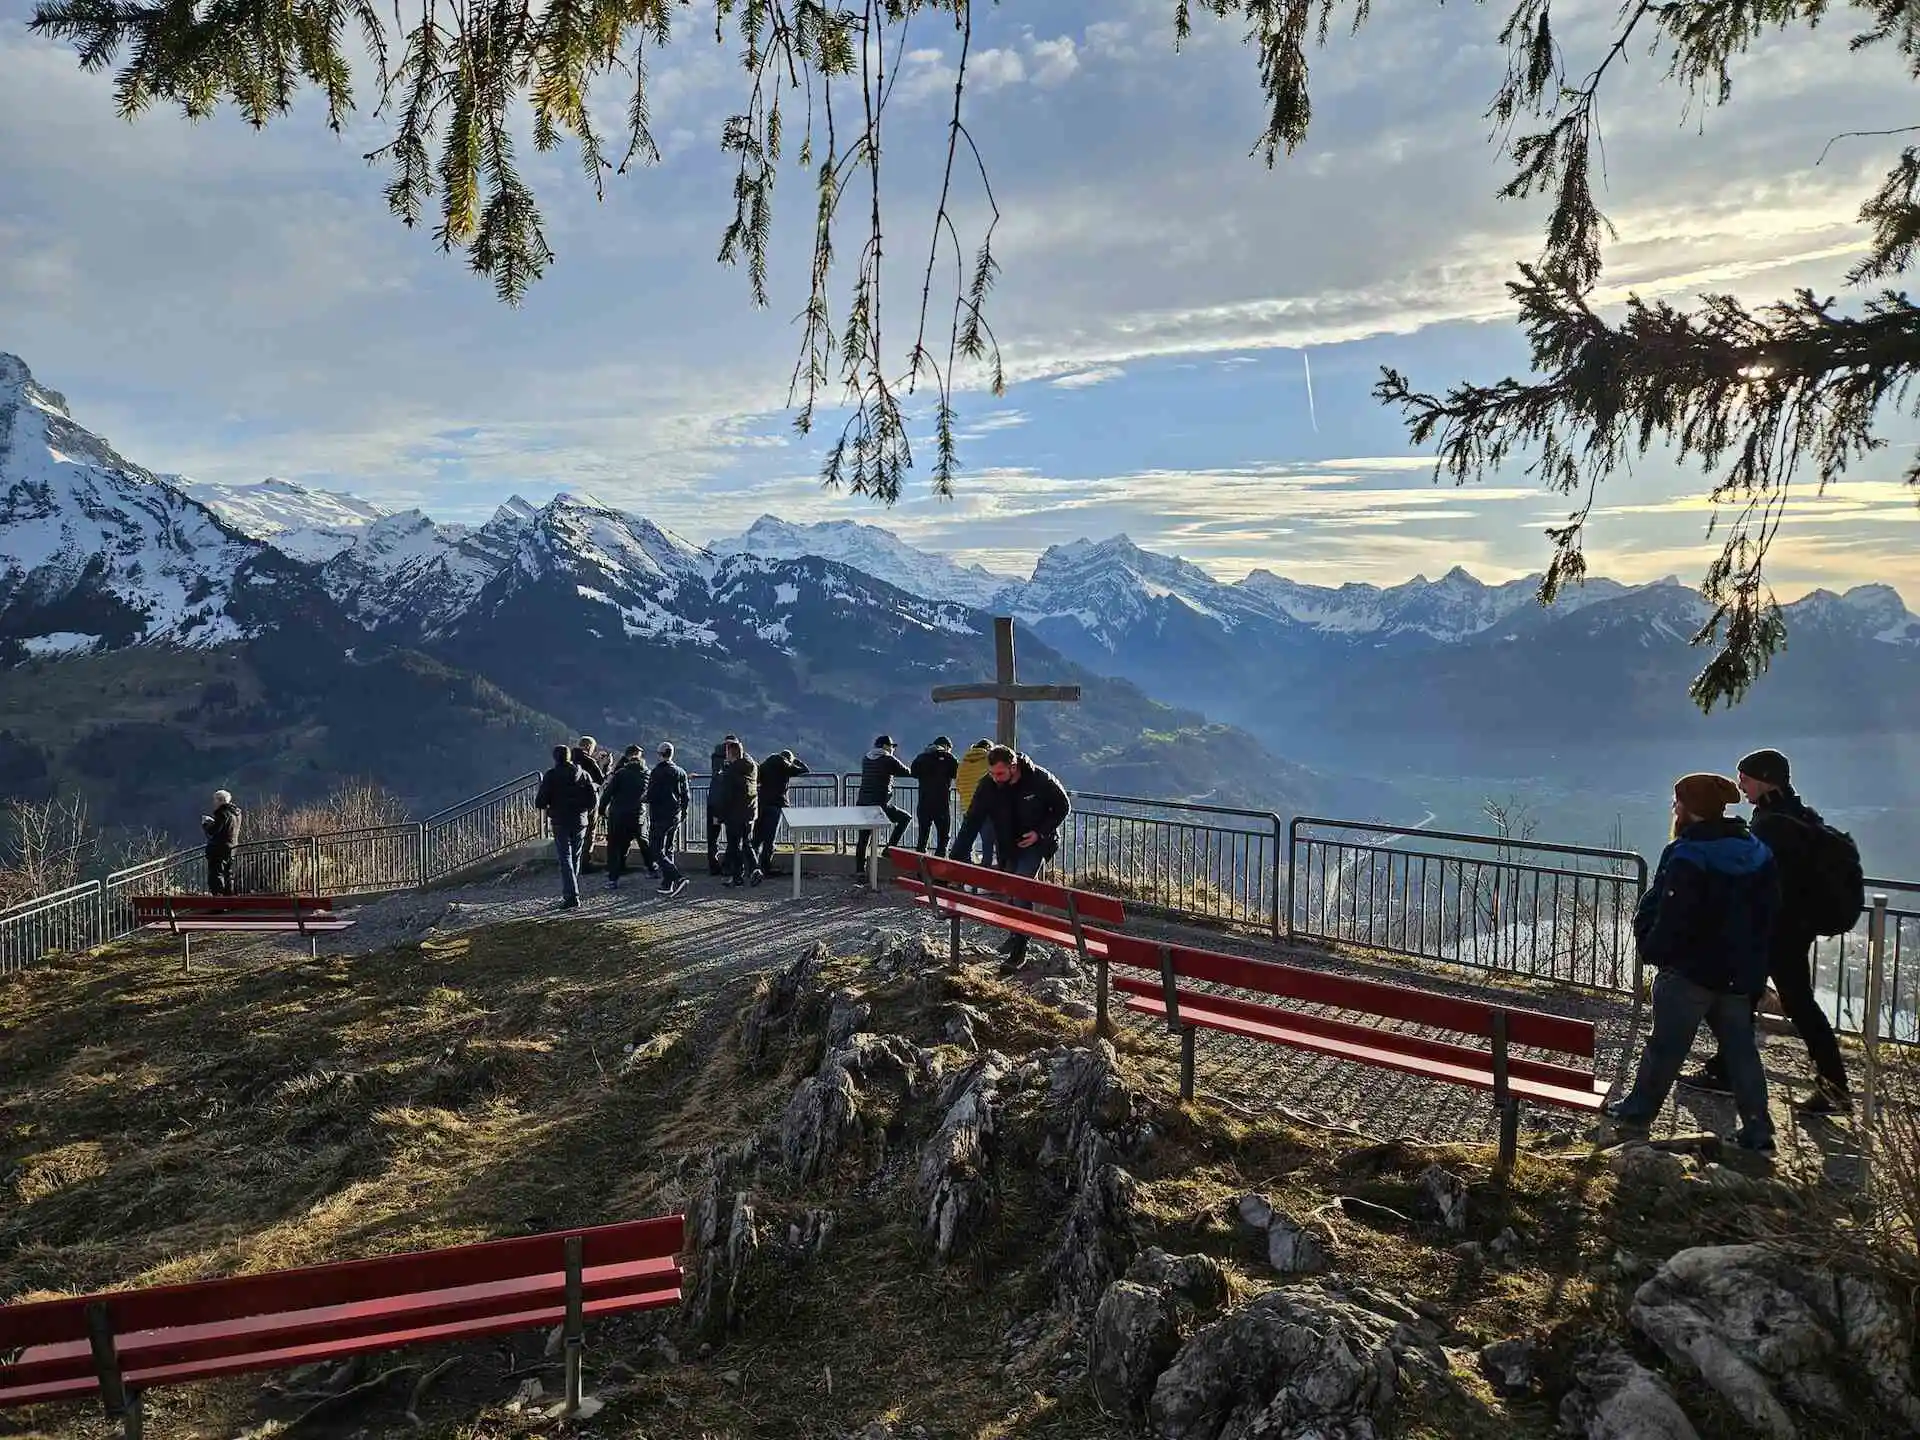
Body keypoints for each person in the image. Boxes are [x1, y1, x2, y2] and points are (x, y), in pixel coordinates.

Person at [1605, 773, 1779, 1153]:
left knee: (1665, 1048)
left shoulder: (1687, 854)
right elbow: (1769, 914)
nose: (1674, 807)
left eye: (1677, 801)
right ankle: (1759, 1131)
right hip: (1738, 973)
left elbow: (1673, 915)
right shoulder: (1756, 851)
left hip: (1690, 972)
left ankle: (1637, 1114)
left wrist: (1653, 950)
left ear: (1688, 808)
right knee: (1741, 1050)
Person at [1684, 748, 1854, 1112]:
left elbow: (1754, 879)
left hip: (1771, 930)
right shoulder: (1799, 816)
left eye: (1745, 779)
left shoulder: (1770, 825)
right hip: (1793, 929)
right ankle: (1832, 1085)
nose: (1741, 787)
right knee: (1794, 1003)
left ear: (1763, 779)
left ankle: (1731, 1073)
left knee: (1738, 998)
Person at [950, 745, 1072, 971]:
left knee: (1020, 886)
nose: (995, 778)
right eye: (992, 773)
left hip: (1035, 843)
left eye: (1000, 774)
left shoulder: (1039, 779)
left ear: (1013, 767)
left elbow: (1063, 806)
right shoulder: (988, 785)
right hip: (1007, 845)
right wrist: (956, 856)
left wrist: (1040, 833)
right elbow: (972, 820)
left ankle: (1019, 948)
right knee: (1011, 890)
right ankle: (1016, 934)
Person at [534, 743, 598, 908]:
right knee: (575, 857)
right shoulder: (583, 774)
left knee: (565, 858)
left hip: (560, 821)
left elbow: (540, 801)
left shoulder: (551, 775)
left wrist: (550, 806)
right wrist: (584, 811)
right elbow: (593, 800)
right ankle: (572, 891)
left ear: (555, 758)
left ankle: (571, 896)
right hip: (580, 821)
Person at [852, 734, 913, 875]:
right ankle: (889, 849)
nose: (893, 749)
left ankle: (860, 871)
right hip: (880, 805)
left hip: (862, 804)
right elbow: (907, 772)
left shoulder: (866, 758)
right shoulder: (888, 759)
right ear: (886, 746)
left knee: (863, 838)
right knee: (905, 818)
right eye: (892, 747)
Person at [597, 745, 655, 889]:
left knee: (616, 846)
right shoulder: (647, 774)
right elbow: (650, 794)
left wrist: (602, 809)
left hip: (618, 814)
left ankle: (613, 878)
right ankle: (652, 869)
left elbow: (608, 793)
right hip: (637, 814)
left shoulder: (621, 773)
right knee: (643, 842)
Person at [754, 749, 812, 875]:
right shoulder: (785, 766)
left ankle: (752, 867)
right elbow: (805, 769)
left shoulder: (764, 765)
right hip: (776, 805)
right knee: (769, 839)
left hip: (761, 804)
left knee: (756, 838)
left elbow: (756, 779)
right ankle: (765, 868)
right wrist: (795, 761)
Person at [714, 738, 762, 887]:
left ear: (730, 753)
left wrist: (719, 816)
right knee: (746, 842)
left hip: (734, 814)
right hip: (750, 812)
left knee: (734, 846)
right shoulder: (751, 766)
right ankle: (752, 870)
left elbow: (726, 797)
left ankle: (738, 876)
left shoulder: (731, 773)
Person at [647, 742, 692, 897]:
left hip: (660, 815)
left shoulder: (657, 772)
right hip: (675, 815)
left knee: (655, 848)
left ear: (660, 754)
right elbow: (686, 795)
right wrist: (684, 812)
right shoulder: (681, 772)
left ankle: (677, 878)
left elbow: (651, 794)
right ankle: (668, 884)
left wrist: (643, 798)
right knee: (669, 848)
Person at [909, 736, 961, 858]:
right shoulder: (949, 758)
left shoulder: (921, 757)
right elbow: (957, 773)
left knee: (923, 835)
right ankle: (939, 862)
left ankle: (920, 864)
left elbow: (913, 773)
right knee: (943, 836)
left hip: (924, 801)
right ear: (947, 747)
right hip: (941, 803)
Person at [954, 738, 995, 866]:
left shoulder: (963, 762)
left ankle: (966, 865)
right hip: (985, 808)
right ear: (988, 748)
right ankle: (986, 867)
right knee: (988, 841)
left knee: (967, 840)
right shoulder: (989, 760)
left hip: (967, 806)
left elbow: (958, 784)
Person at [573, 736, 608, 873]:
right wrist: (605, 765)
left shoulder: (569, 759)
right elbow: (600, 780)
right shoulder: (589, 761)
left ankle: (572, 863)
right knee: (589, 833)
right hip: (588, 803)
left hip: (569, 803)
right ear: (588, 747)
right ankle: (584, 864)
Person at [201, 789, 243, 895]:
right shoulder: (236, 813)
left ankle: (219, 901)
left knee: (216, 875)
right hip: (232, 847)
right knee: (228, 874)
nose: (214, 803)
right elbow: (226, 828)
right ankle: (230, 899)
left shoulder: (222, 813)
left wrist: (206, 824)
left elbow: (213, 831)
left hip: (219, 848)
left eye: (215, 800)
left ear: (220, 801)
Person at [706, 734, 737, 875]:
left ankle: (713, 866)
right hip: (729, 805)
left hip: (714, 804)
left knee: (713, 837)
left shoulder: (715, 756)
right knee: (732, 837)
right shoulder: (736, 760)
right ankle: (727, 866)